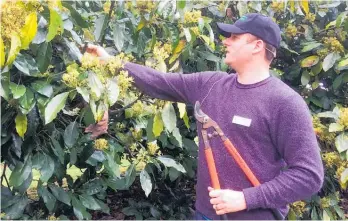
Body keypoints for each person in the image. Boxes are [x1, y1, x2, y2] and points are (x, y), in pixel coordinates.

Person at [85, 13, 324, 220]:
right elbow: (161, 82)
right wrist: (111, 62)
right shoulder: (212, 84)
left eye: (235, 37)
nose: (226, 41)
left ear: (257, 46)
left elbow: (309, 175)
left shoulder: (285, 102)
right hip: (205, 214)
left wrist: (246, 198)